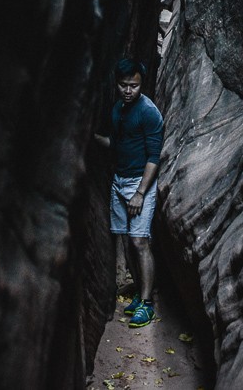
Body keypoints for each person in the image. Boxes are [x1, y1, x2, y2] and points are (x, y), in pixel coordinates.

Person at [93, 58, 164, 328]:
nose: (128, 91)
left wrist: (140, 193)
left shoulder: (148, 112)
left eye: (133, 86)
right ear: (117, 84)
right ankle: (138, 293)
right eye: (124, 85)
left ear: (141, 84)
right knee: (124, 241)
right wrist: (90, 138)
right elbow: (116, 143)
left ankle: (147, 303)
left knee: (139, 242)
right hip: (119, 181)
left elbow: (154, 157)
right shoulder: (118, 109)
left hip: (139, 184)